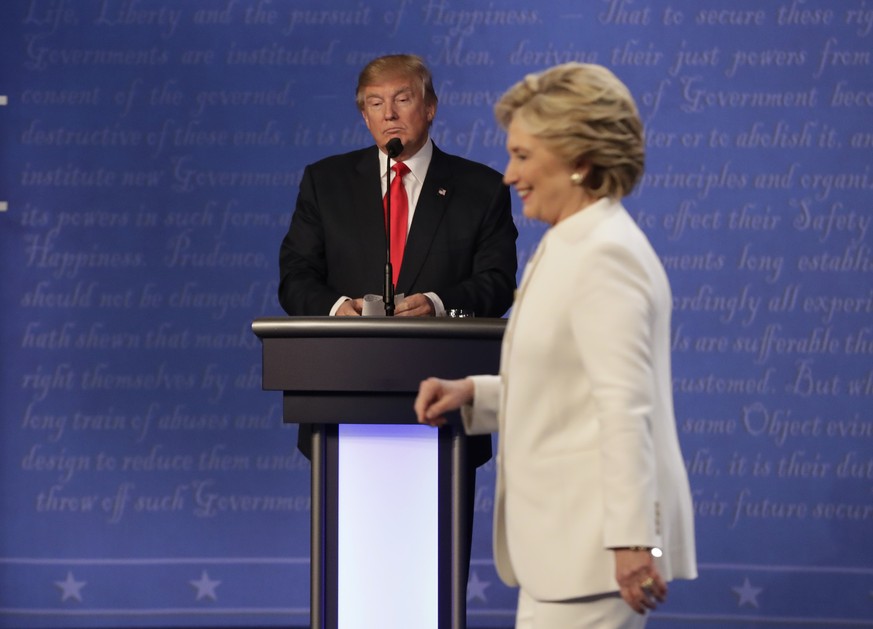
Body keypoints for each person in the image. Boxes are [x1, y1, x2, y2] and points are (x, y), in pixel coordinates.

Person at [414, 63, 697, 629]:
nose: (507, 174)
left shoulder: (603, 256)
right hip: (566, 556)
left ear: (580, 161)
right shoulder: (571, 244)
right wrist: (474, 393)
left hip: (594, 553)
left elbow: (624, 409)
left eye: (522, 155)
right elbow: (567, 388)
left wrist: (631, 541)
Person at [277, 53, 518, 585]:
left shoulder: (480, 189)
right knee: (356, 576)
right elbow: (295, 275)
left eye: (403, 99)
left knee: (431, 575)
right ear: (364, 116)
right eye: (375, 103)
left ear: (430, 108)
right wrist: (340, 311)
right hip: (346, 398)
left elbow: (498, 282)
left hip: (443, 411)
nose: (389, 114)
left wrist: (437, 304)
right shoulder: (326, 182)